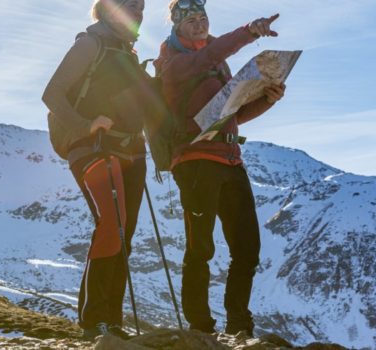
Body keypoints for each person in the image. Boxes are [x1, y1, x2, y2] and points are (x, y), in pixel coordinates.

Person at [154, 0, 286, 336]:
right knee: (201, 248)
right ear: (177, 25)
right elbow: (205, 58)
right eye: (191, 20)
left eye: (203, 18)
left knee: (247, 248)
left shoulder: (216, 61)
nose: (199, 25)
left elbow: (233, 115)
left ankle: (239, 325)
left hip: (230, 160)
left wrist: (267, 99)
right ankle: (200, 329)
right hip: (195, 162)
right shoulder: (174, 62)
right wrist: (250, 31)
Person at [42, 0, 150, 340]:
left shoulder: (128, 54)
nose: (136, 9)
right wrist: (85, 125)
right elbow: (52, 94)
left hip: (132, 150)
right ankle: (93, 322)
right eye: (128, 3)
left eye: (140, 5)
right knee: (112, 225)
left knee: (123, 234)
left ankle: (111, 323)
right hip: (94, 148)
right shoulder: (91, 44)